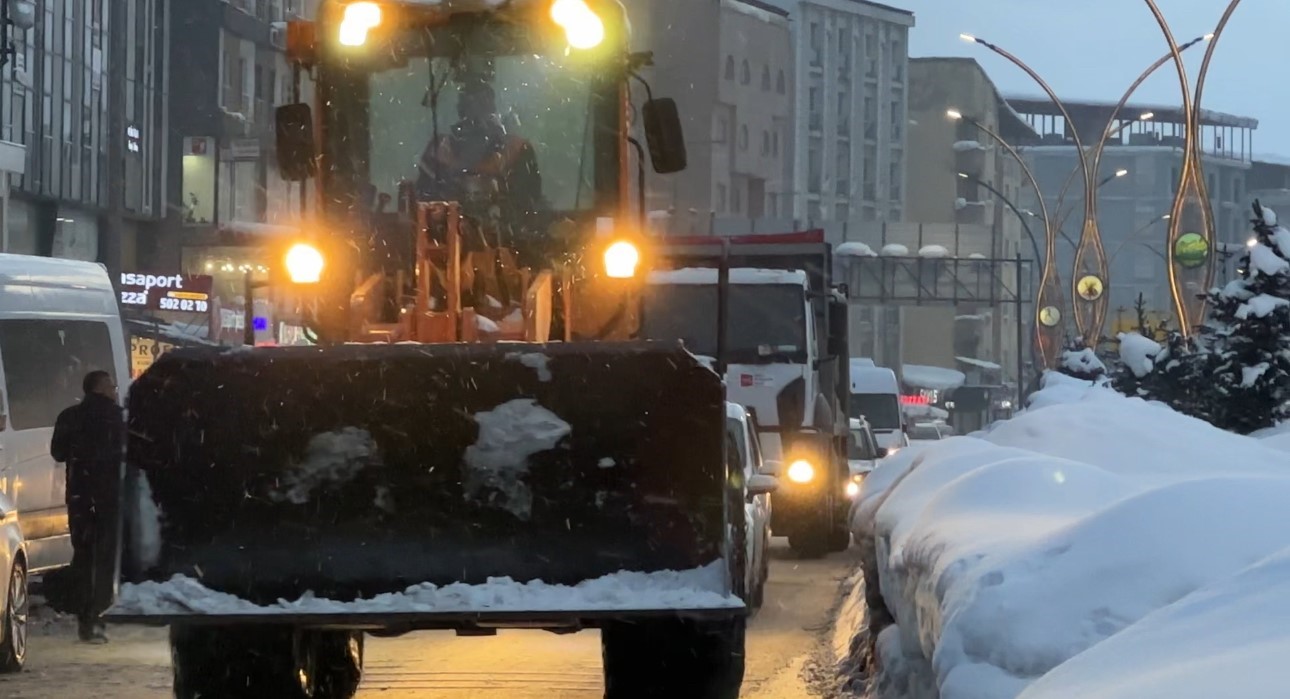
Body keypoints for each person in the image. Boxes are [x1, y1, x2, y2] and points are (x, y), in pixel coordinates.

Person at [50, 370, 124, 644]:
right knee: (105, 561)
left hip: (80, 498)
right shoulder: (118, 417)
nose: (115, 390)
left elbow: (57, 453)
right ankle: (98, 619)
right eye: (112, 386)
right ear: (102, 387)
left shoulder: (69, 416)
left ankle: (83, 619)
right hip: (109, 499)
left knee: (83, 556)